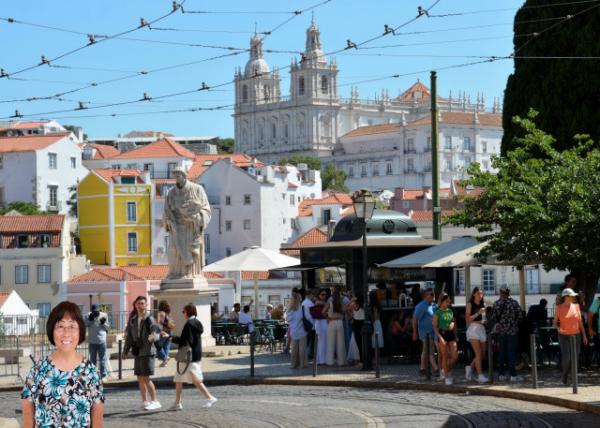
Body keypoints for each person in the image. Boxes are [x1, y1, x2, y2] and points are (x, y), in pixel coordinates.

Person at [21, 301, 104, 427]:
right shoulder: (38, 370)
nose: (66, 333)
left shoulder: (91, 372)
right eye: (60, 326)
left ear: (80, 331)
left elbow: (97, 422)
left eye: (72, 326)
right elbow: (27, 411)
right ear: (51, 330)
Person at [162, 303, 217, 410]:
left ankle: (210, 397)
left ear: (188, 312)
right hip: (192, 355)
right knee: (178, 379)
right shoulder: (196, 322)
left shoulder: (189, 324)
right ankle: (177, 403)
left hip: (188, 357)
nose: (183, 314)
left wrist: (170, 337)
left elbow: (186, 341)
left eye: (183, 312)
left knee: (196, 379)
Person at [163, 166, 211, 279]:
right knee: (173, 250)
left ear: (184, 176)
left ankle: (189, 273)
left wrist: (196, 217)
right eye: (175, 176)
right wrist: (168, 220)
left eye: (178, 176)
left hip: (191, 227)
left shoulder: (197, 189)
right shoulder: (170, 193)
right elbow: (166, 211)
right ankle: (175, 273)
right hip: (176, 227)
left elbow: (206, 210)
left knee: (189, 249)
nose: (176, 179)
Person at [123, 296, 162, 410]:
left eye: (142, 303)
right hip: (138, 351)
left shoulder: (149, 318)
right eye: (138, 303)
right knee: (140, 377)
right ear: (135, 305)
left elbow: (156, 333)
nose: (140, 305)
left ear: (146, 305)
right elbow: (130, 337)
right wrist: (125, 350)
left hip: (148, 351)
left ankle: (155, 401)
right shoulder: (133, 320)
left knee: (146, 377)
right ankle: (145, 401)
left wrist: (152, 338)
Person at [554, 288, 588, 385]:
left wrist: (584, 336)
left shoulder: (576, 306)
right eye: (572, 295)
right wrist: (559, 329)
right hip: (563, 336)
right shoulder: (559, 307)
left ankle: (574, 379)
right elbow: (554, 323)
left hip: (576, 335)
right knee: (567, 358)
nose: (574, 297)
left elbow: (580, 322)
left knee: (575, 358)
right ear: (566, 297)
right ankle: (564, 376)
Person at [491, 286, 524, 382]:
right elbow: (520, 317)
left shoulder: (497, 303)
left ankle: (501, 374)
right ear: (509, 293)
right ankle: (513, 375)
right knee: (511, 354)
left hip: (501, 332)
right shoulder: (514, 303)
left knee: (501, 353)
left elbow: (493, 317)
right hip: (512, 332)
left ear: (500, 292)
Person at [412, 288, 439, 376]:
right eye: (431, 294)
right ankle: (436, 369)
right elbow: (415, 319)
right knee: (429, 350)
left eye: (433, 294)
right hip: (425, 333)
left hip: (432, 332)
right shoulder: (421, 306)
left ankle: (422, 369)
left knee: (425, 350)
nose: (433, 296)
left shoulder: (433, 305)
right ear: (425, 296)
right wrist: (415, 332)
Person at [464, 287, 489, 383]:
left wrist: (484, 320)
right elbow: (467, 320)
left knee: (482, 355)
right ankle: (480, 375)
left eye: (482, 293)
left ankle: (469, 367)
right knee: (478, 354)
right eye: (478, 293)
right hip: (473, 329)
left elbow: (483, 319)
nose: (480, 295)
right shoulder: (470, 304)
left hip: (481, 329)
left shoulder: (484, 304)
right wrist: (478, 313)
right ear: (474, 294)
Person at [433, 293, 458, 385]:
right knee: (445, 356)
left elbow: (453, 323)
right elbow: (435, 326)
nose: (448, 303)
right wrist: (440, 338)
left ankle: (445, 370)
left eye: (449, 301)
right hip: (442, 334)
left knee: (454, 356)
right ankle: (447, 377)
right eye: (446, 301)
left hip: (450, 334)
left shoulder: (450, 311)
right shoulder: (437, 312)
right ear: (442, 301)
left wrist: (455, 333)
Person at [86, 303, 110, 380]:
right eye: (94, 311)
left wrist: (103, 323)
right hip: (92, 341)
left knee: (102, 359)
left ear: (99, 310)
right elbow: (86, 325)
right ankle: (93, 375)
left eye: (97, 311)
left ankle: (103, 375)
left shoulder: (104, 315)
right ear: (91, 311)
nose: (95, 313)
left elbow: (107, 328)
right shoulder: (88, 315)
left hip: (101, 341)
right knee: (92, 360)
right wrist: (90, 320)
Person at [286, 292, 309, 368]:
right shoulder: (302, 307)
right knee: (302, 349)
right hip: (302, 330)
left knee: (294, 349)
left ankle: (294, 364)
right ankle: (303, 364)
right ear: (300, 299)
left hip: (293, 331)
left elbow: (288, 320)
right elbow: (307, 317)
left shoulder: (289, 309)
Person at [323, 289, 346, 366]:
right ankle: (341, 361)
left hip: (332, 322)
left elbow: (322, 312)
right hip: (340, 322)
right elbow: (344, 311)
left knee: (330, 342)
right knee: (341, 343)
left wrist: (328, 318)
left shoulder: (329, 303)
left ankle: (330, 361)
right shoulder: (341, 303)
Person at [311, 288, 329, 365]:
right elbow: (325, 304)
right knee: (321, 341)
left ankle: (320, 360)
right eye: (322, 294)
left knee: (323, 341)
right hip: (320, 322)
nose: (324, 296)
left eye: (325, 295)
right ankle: (322, 360)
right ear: (319, 295)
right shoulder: (318, 302)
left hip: (323, 322)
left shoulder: (321, 302)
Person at [157, 300, 175, 367]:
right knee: (166, 347)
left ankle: (165, 357)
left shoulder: (160, 313)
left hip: (163, 331)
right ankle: (164, 361)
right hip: (170, 331)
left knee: (158, 345)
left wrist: (159, 330)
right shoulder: (168, 313)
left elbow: (158, 322)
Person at [349, 294, 365, 365]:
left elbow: (346, 308)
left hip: (356, 323)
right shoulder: (365, 304)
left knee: (358, 342)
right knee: (364, 342)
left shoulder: (354, 304)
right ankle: (364, 358)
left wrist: (352, 316)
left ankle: (361, 359)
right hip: (363, 323)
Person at [302, 290, 315, 359]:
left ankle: (306, 353)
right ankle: (310, 353)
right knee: (312, 339)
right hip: (310, 323)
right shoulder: (310, 303)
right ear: (309, 295)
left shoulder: (304, 302)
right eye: (312, 295)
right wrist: (312, 323)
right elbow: (310, 315)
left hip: (306, 323)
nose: (313, 296)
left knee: (308, 339)